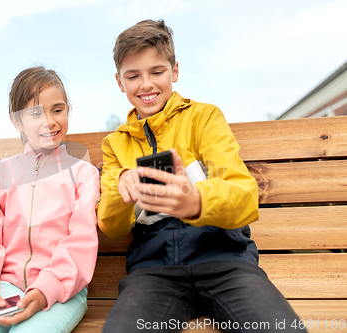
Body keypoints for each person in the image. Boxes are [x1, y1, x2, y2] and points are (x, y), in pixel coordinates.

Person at [98, 20, 307, 332]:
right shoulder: (115, 144)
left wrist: (196, 202)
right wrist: (120, 187)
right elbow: (111, 226)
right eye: (133, 75)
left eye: (157, 72)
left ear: (175, 71)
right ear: (119, 81)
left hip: (226, 264)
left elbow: (244, 196)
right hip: (153, 272)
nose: (146, 84)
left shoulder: (204, 118)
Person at [0, 66, 100, 333]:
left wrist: (45, 290)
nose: (50, 121)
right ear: (16, 121)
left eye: (57, 110)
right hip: (2, 288)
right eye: (35, 113)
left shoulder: (83, 174)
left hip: (60, 292)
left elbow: (80, 243)